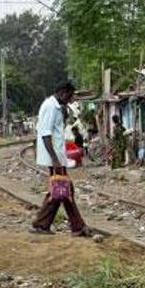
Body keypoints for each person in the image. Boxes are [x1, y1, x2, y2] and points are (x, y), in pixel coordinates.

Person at [31, 80, 88, 236]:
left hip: (56, 156)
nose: (70, 100)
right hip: (54, 157)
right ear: (63, 93)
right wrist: (55, 160)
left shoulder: (56, 106)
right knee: (64, 190)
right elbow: (45, 134)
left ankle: (42, 225)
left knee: (59, 191)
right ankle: (78, 227)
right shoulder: (51, 107)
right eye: (69, 96)